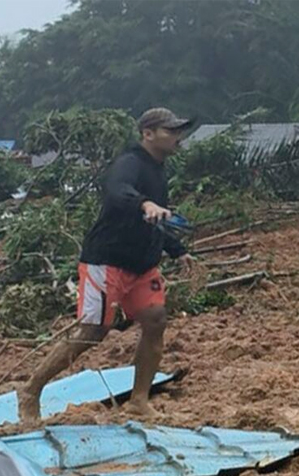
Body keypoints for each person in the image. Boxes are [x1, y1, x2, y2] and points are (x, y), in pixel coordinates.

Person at [18, 108, 196, 421]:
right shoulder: (130, 162)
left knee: (155, 320)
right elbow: (117, 192)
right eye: (170, 130)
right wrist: (145, 202)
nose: (177, 136)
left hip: (142, 265)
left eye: (179, 130)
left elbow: (154, 220)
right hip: (107, 260)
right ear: (148, 134)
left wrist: (177, 250)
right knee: (93, 331)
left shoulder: (158, 169)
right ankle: (31, 390)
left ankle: (139, 399)